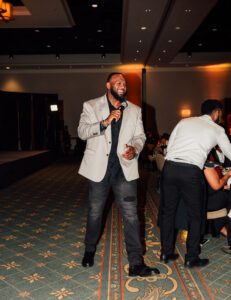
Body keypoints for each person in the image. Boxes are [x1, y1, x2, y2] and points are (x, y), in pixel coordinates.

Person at [77, 73, 160, 277]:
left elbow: (140, 136)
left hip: (124, 169)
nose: (122, 85)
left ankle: (136, 263)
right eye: (118, 82)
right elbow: (82, 132)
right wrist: (104, 122)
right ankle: (89, 249)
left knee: (132, 216)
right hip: (99, 170)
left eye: (124, 83)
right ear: (108, 85)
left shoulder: (135, 110)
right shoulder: (91, 105)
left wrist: (135, 149)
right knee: (95, 214)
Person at [159, 99, 231, 268]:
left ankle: (166, 252)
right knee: (196, 216)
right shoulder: (217, 129)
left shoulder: (184, 121)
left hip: (169, 168)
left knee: (168, 212)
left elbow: (170, 147)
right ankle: (191, 257)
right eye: (220, 113)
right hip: (190, 171)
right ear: (216, 112)